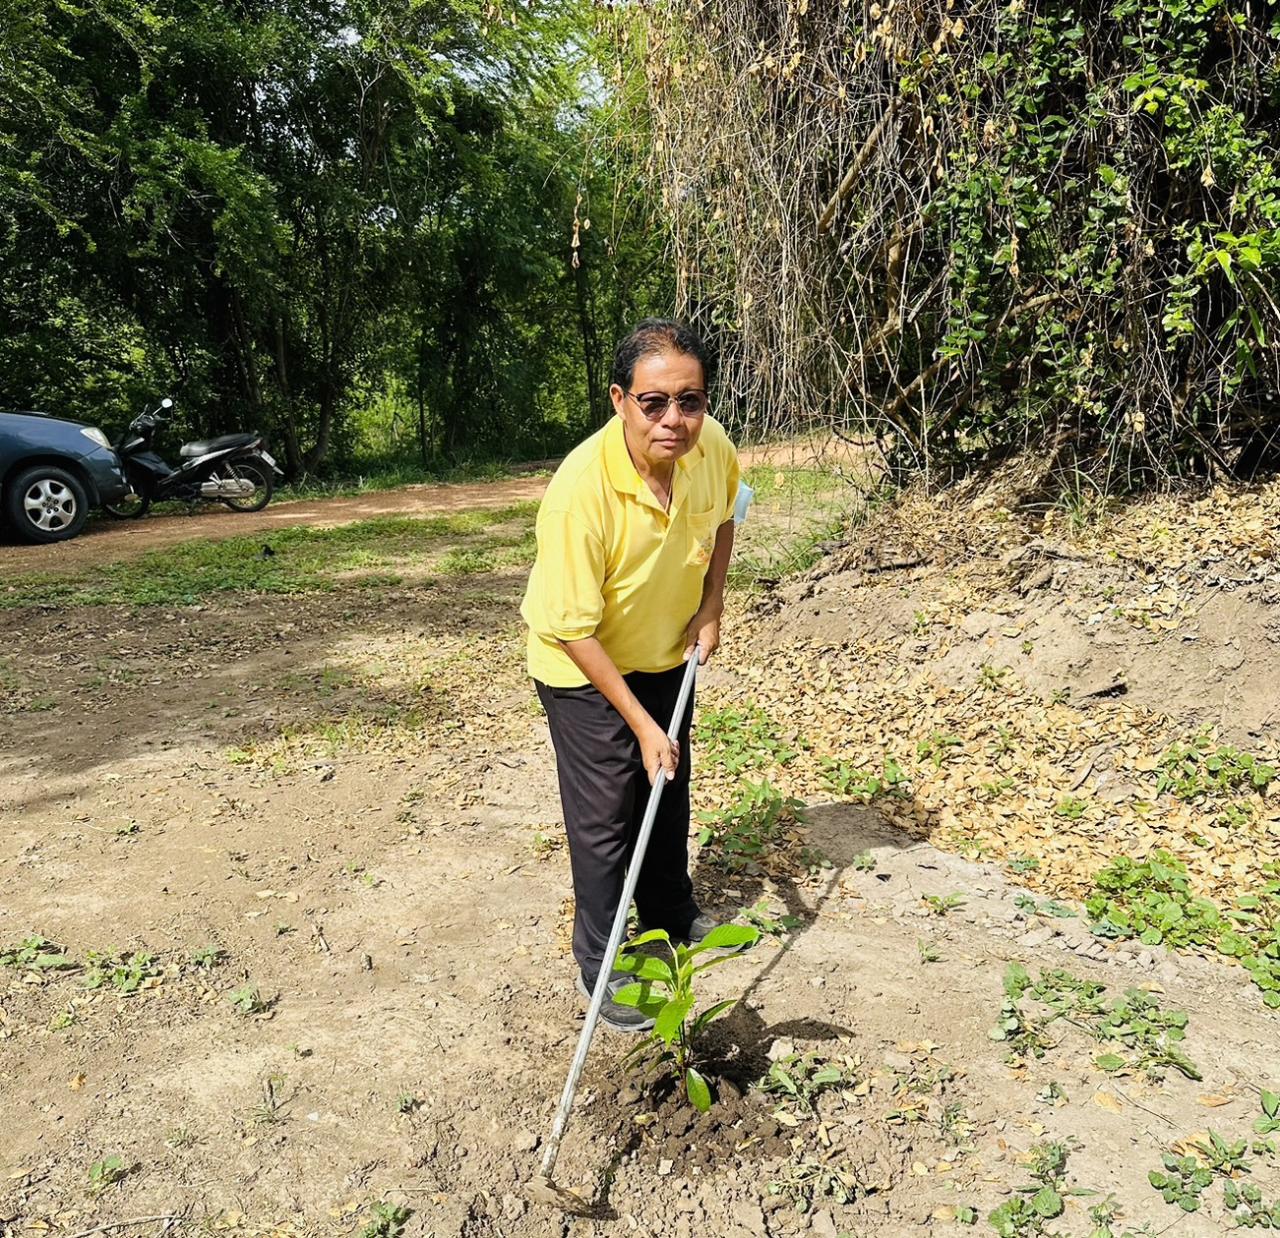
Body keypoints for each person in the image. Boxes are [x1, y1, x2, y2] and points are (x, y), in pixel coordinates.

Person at [521, 318, 741, 1033]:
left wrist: (711, 604)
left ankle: (671, 915)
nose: (674, 420)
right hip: (582, 666)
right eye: (654, 403)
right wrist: (641, 723)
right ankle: (604, 962)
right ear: (621, 401)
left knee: (668, 786)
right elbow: (571, 627)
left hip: (664, 651)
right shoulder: (580, 491)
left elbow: (729, 515)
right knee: (608, 814)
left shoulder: (713, 451)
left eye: (690, 400)